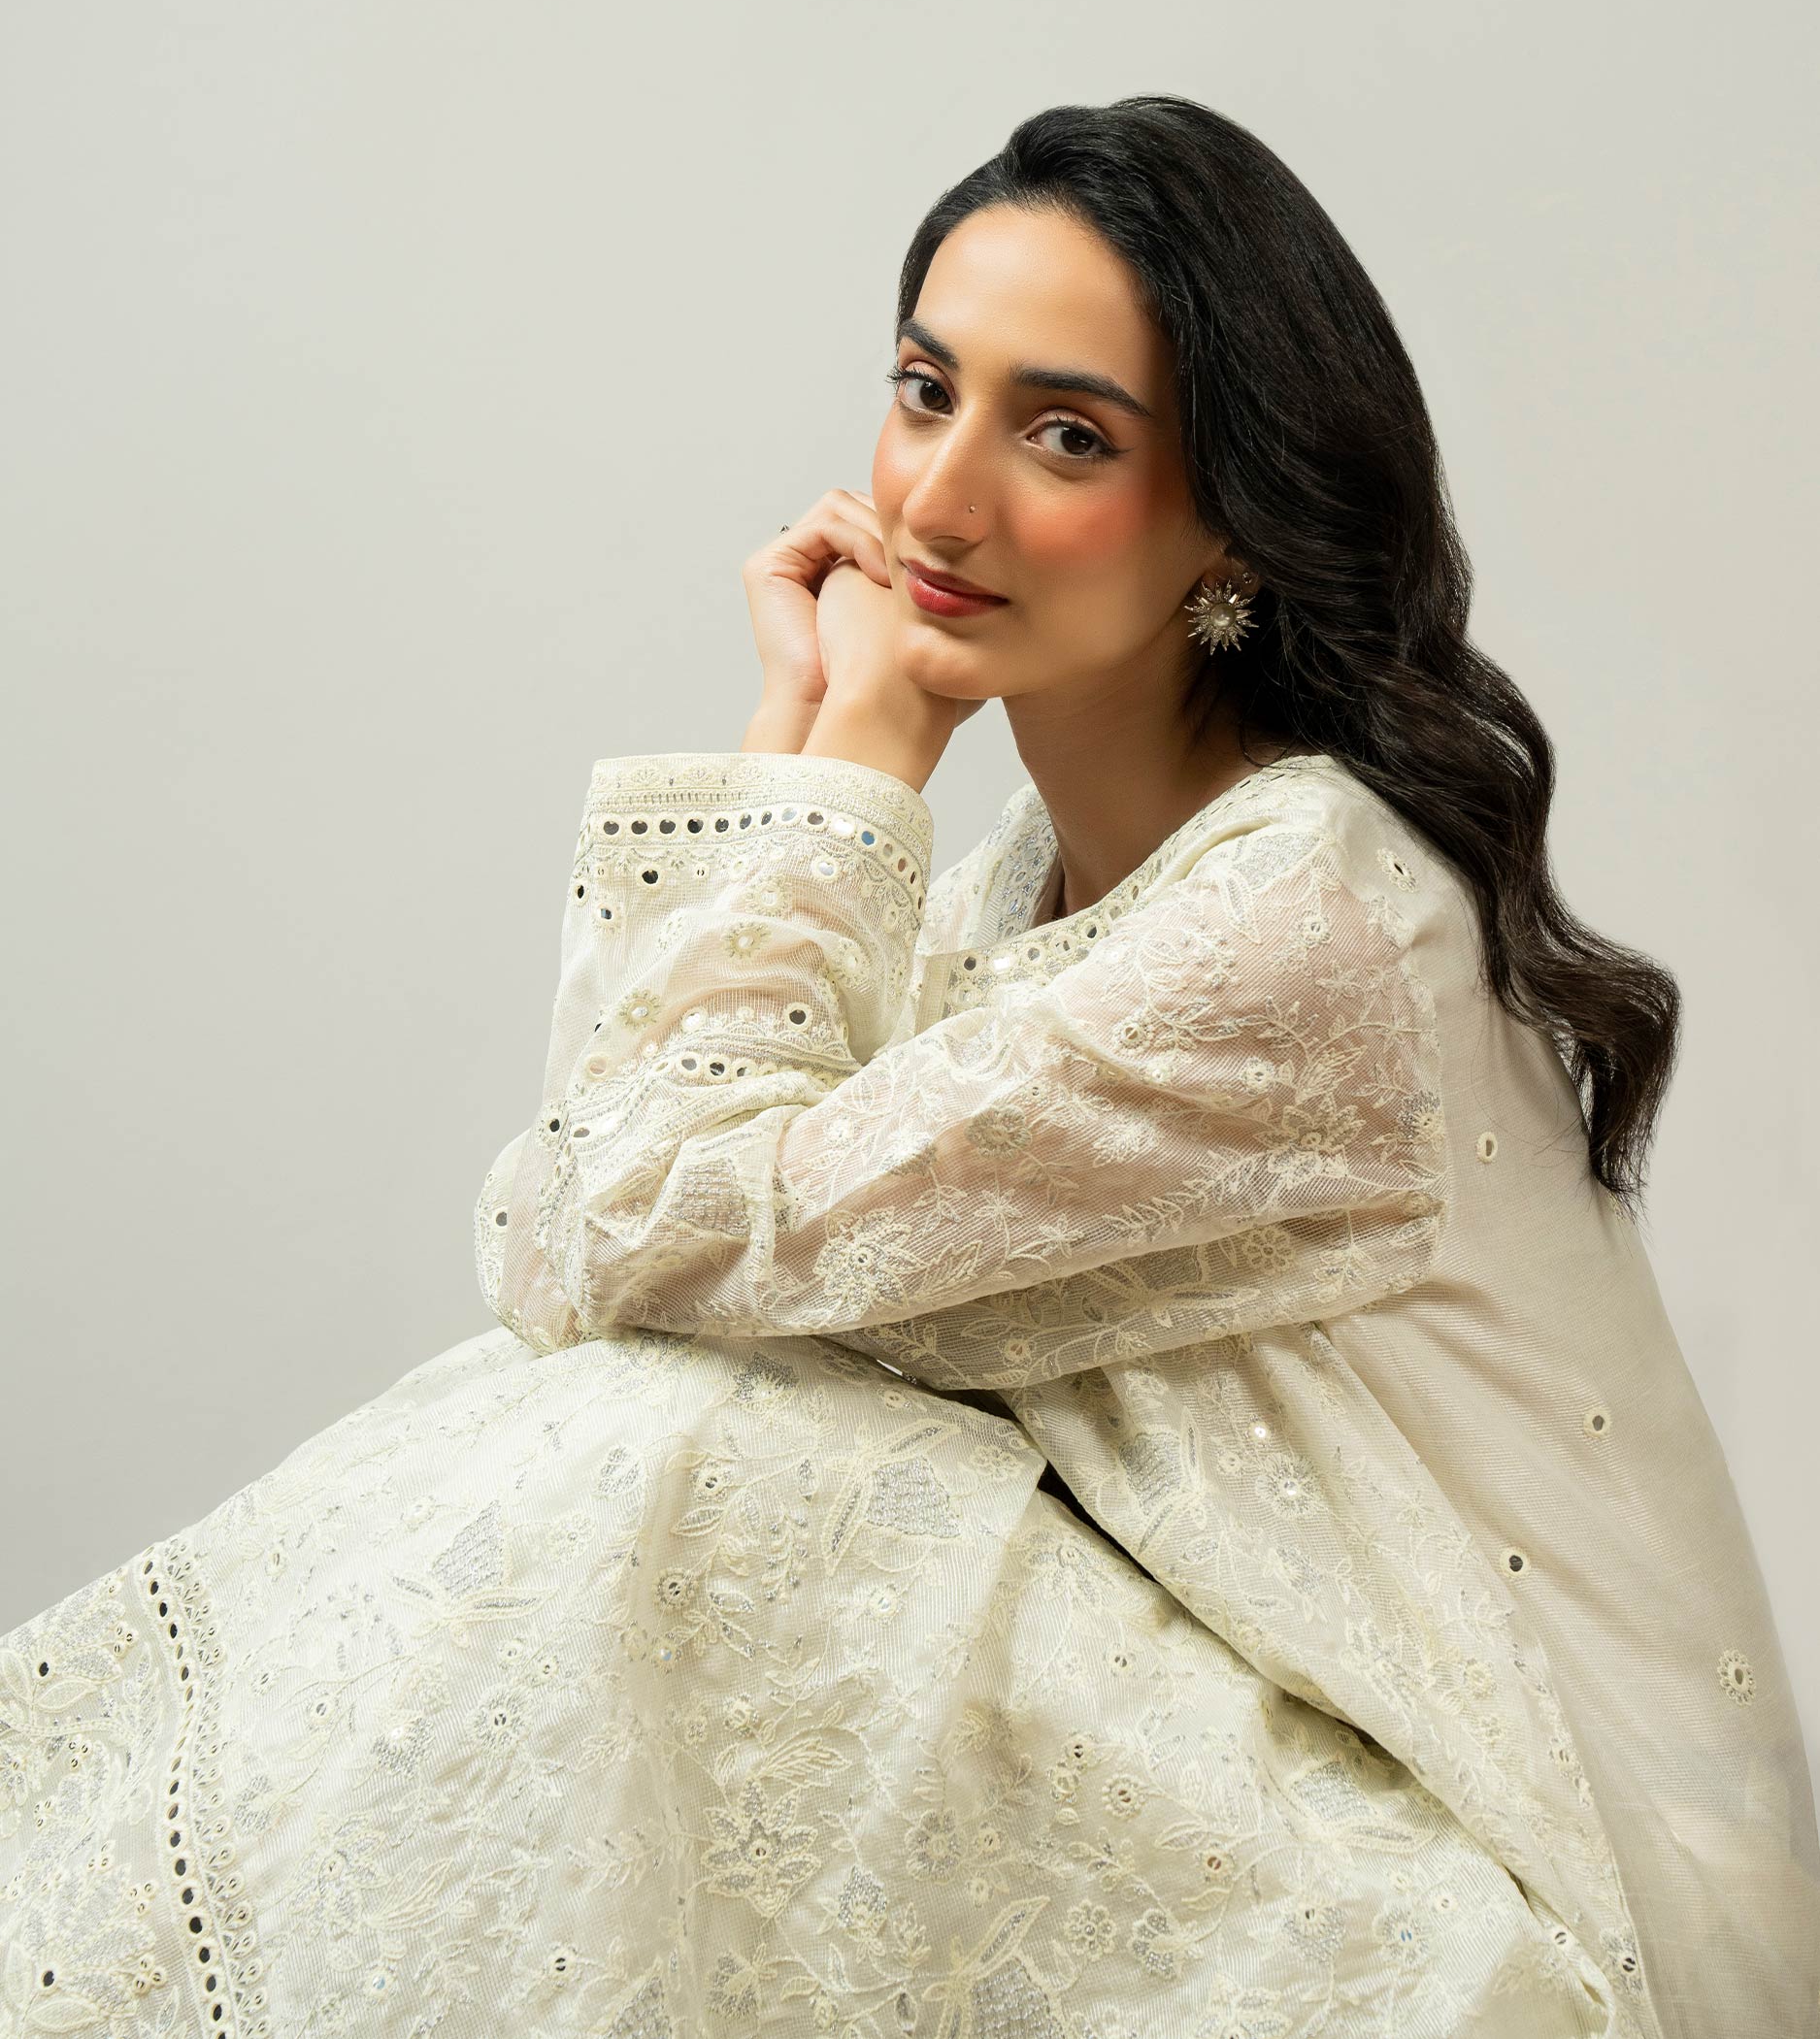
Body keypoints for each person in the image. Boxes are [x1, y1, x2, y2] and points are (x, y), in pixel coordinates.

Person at [3, 99, 1811, 2039]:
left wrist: (844, 761)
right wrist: (800, 735)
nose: (939, 502)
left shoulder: (1300, 927)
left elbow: (638, 1220)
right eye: (924, 392)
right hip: (1262, 1747)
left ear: (1236, 514)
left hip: (1498, 1885)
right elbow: (574, 1237)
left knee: (691, 1466)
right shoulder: (1021, 895)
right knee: (661, 1430)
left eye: (1066, 436)